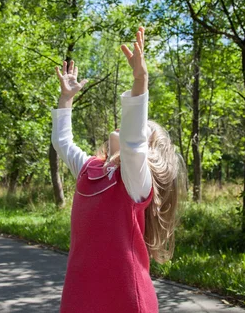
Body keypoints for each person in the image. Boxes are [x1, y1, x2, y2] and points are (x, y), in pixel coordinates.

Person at [52, 26, 186, 313]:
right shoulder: (90, 171)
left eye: (140, 132)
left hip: (125, 300)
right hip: (80, 295)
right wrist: (66, 100)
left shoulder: (135, 182)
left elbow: (133, 143)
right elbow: (62, 142)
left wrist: (140, 80)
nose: (128, 132)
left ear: (146, 152)